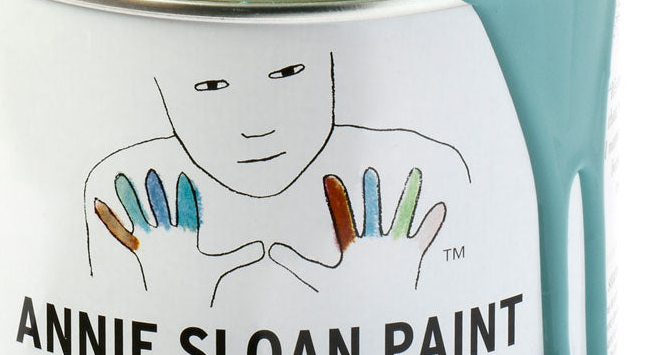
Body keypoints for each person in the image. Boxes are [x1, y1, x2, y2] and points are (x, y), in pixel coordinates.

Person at [84, 42, 470, 308]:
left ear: (332, 66)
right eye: (211, 86)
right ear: (162, 91)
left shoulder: (412, 179)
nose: (256, 127)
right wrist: (163, 299)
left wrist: (391, 301)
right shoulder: (134, 196)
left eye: (287, 72)